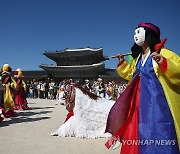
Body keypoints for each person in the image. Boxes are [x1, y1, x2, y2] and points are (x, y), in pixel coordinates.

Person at [105, 23, 180, 153]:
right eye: (134, 33)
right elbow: (130, 75)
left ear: (149, 34)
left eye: (138, 32)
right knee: (137, 132)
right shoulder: (138, 58)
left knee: (159, 132)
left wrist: (164, 62)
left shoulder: (164, 53)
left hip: (158, 103)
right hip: (138, 104)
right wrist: (122, 63)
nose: (135, 36)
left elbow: (178, 70)